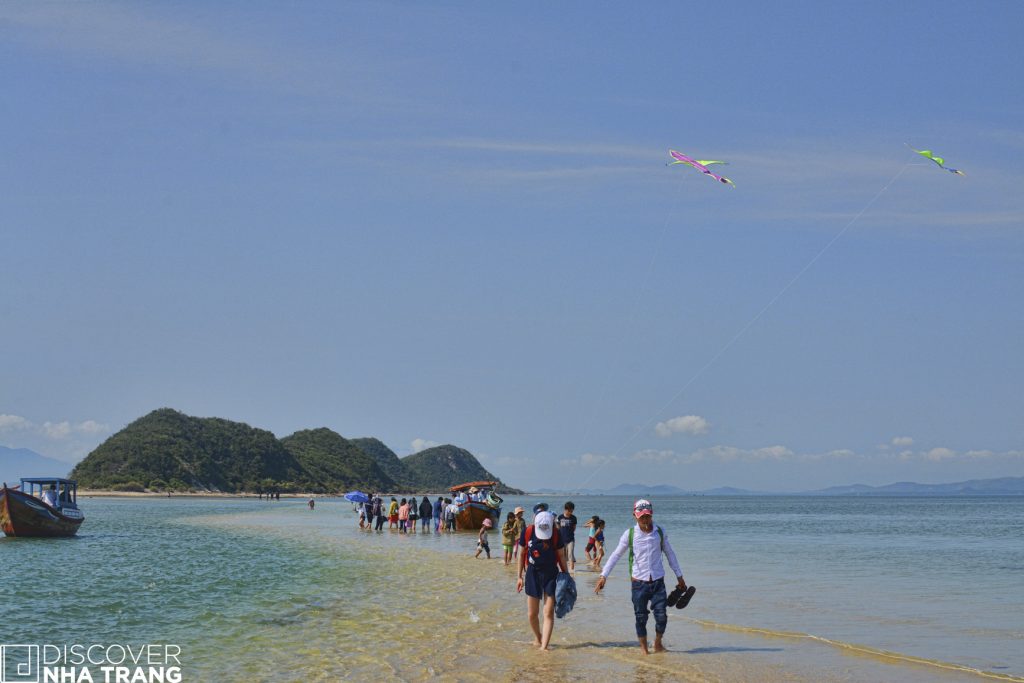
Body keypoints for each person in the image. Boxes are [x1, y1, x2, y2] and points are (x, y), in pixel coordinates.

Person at [594, 499, 687, 655]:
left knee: (662, 617)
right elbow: (616, 555)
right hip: (639, 584)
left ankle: (657, 644)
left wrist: (679, 576)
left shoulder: (660, 532)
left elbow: (670, 554)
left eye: (647, 516)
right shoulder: (629, 534)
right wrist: (604, 575)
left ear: (651, 514)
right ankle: (644, 650)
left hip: (658, 582)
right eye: (642, 516)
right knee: (641, 618)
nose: (645, 519)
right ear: (635, 516)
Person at [516, 509, 566, 650]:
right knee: (532, 614)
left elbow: (561, 556)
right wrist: (519, 577)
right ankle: (538, 638)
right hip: (533, 573)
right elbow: (521, 555)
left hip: (551, 573)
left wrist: (566, 575)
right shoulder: (528, 532)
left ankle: (544, 648)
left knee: (548, 612)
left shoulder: (556, 534)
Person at [556, 502, 578, 573]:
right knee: (563, 556)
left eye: (572, 511)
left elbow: (574, 528)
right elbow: (558, 528)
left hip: (570, 539)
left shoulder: (574, 518)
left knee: (570, 554)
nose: (570, 512)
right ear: (565, 509)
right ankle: (564, 571)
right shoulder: (560, 517)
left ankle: (572, 571)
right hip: (562, 540)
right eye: (569, 511)